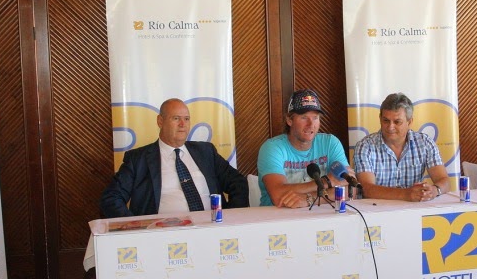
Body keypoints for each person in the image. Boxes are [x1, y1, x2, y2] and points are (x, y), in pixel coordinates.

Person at [100, 98, 248, 218]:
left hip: (211, 229)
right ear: (160, 121)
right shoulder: (138, 159)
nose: (182, 124)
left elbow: (238, 182)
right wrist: (134, 227)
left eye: (186, 119)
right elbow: (111, 198)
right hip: (162, 234)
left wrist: (231, 216)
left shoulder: (206, 152)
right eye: (176, 118)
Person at [257, 88, 350, 208]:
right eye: (304, 117)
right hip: (279, 217)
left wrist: (308, 199)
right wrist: (327, 181)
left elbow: (350, 190)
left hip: (321, 216)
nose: (311, 124)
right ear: (289, 120)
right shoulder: (272, 148)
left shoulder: (330, 143)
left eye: (315, 117)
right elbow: (278, 195)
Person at [352, 93, 449, 202]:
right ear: (380, 119)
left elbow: (444, 181)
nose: (390, 127)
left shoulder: (425, 143)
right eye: (386, 121)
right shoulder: (365, 146)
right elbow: (366, 189)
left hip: (415, 209)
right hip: (376, 210)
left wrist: (435, 190)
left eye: (397, 122)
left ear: (409, 122)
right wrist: (406, 194)